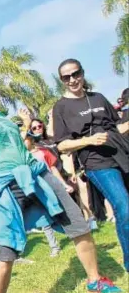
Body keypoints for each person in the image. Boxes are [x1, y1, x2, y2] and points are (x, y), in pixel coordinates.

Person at [0, 57, 121, 293]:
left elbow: (22, 149)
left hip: (35, 175)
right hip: (5, 186)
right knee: (5, 249)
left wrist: (54, 176)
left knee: (78, 225)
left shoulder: (4, 119)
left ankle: (94, 280)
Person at [52, 58, 129, 272]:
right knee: (124, 207)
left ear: (82, 73)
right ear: (62, 80)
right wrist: (87, 140)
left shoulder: (98, 98)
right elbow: (62, 145)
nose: (73, 80)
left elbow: (117, 127)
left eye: (76, 74)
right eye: (67, 77)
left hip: (121, 154)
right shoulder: (61, 107)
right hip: (96, 163)